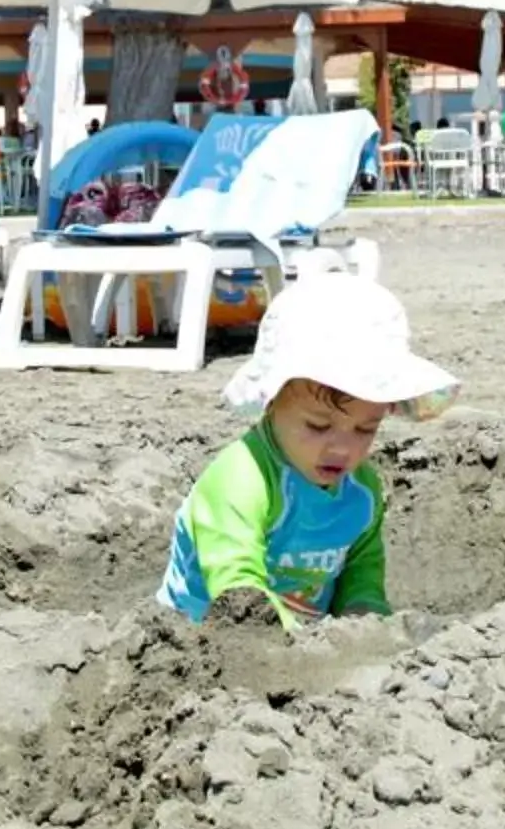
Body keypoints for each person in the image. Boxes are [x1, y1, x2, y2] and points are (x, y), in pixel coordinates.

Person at [156, 268, 457, 627]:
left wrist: (366, 618)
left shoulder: (361, 491)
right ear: (270, 401)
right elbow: (236, 588)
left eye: (366, 428)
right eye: (318, 425)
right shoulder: (241, 477)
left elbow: (362, 570)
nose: (343, 448)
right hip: (206, 641)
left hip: (310, 640)